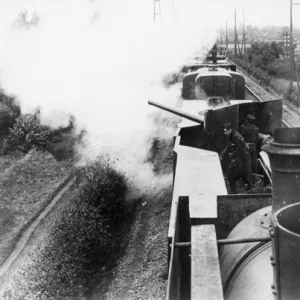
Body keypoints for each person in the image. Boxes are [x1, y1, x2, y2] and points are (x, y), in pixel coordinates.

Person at [220, 121, 253, 194]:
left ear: (229, 130)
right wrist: (222, 154)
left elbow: (242, 148)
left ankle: (233, 191)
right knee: (239, 175)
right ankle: (236, 190)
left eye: (225, 131)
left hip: (242, 157)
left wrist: (232, 154)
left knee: (230, 175)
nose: (224, 133)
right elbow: (230, 145)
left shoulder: (236, 137)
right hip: (239, 157)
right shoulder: (232, 134)